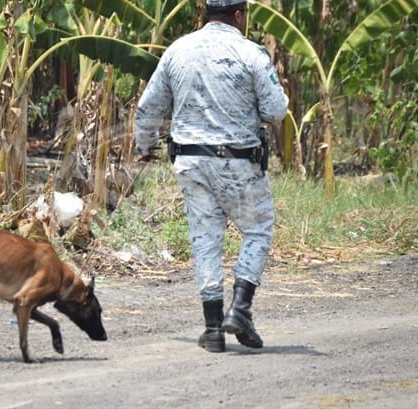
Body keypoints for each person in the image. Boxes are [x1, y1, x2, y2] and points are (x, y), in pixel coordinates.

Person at [134, 0, 288, 352]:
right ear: (238, 15)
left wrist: (144, 146)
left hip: (190, 161)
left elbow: (148, 107)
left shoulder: (177, 50)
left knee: (205, 239)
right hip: (238, 162)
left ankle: (213, 328)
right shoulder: (251, 53)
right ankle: (242, 309)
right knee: (258, 229)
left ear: (205, 14)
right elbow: (276, 111)